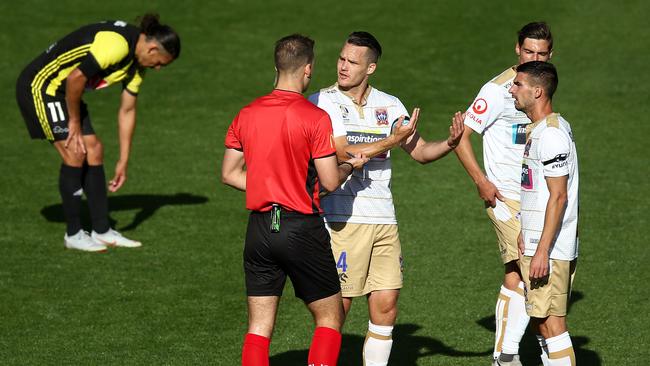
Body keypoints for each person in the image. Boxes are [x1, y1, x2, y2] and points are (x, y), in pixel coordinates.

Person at [309, 31, 463, 366]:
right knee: (338, 309)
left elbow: (420, 151)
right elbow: (341, 150)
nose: (343, 66)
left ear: (371, 68)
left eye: (353, 62)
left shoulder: (390, 105)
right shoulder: (322, 102)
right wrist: (391, 141)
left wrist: (450, 143)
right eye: (341, 58)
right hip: (342, 218)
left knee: (387, 305)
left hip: (383, 219)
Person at [221, 34, 368, 366]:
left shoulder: (247, 113)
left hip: (259, 229)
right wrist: (349, 165)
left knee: (259, 327)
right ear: (308, 69)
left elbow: (230, 173)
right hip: (300, 227)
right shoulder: (314, 117)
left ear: (276, 66)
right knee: (330, 317)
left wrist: (267, 186)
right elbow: (329, 181)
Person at [16, 14, 180, 252]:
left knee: (94, 150)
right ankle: (73, 234)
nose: (157, 68)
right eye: (159, 63)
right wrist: (73, 121)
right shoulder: (117, 45)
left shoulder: (136, 65)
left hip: (67, 92)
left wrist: (123, 159)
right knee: (75, 152)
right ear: (153, 48)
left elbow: (127, 110)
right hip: (41, 87)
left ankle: (101, 230)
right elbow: (76, 77)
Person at [452, 22, 553, 365]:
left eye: (541, 53)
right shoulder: (497, 90)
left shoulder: (538, 86)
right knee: (533, 273)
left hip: (535, 198)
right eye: (528, 52)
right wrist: (481, 180)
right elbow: (461, 136)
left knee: (516, 273)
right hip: (506, 198)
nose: (534, 58)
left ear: (550, 55)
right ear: (517, 50)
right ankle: (535, 348)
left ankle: (504, 355)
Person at [510, 61, 578, 366]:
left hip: (550, 248)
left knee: (552, 325)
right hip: (540, 241)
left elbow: (559, 196)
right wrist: (527, 229)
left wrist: (542, 251)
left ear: (537, 91)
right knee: (541, 321)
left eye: (518, 85)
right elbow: (536, 190)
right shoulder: (540, 130)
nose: (512, 90)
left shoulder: (551, 135)